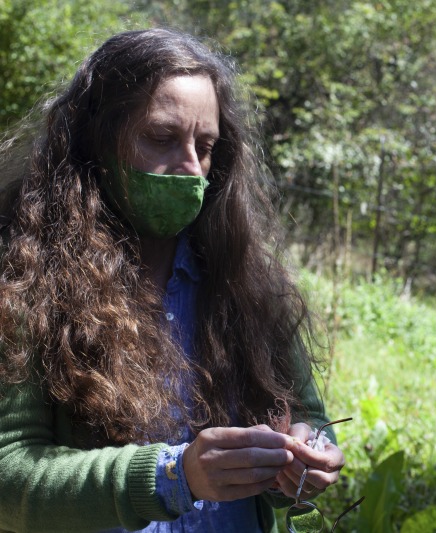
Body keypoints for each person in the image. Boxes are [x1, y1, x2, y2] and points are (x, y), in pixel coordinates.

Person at [0, 28, 346, 532]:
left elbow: (306, 415)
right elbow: (8, 476)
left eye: (204, 146)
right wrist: (172, 477)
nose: (190, 168)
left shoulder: (249, 287)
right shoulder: (22, 281)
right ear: (96, 139)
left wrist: (304, 457)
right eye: (162, 138)